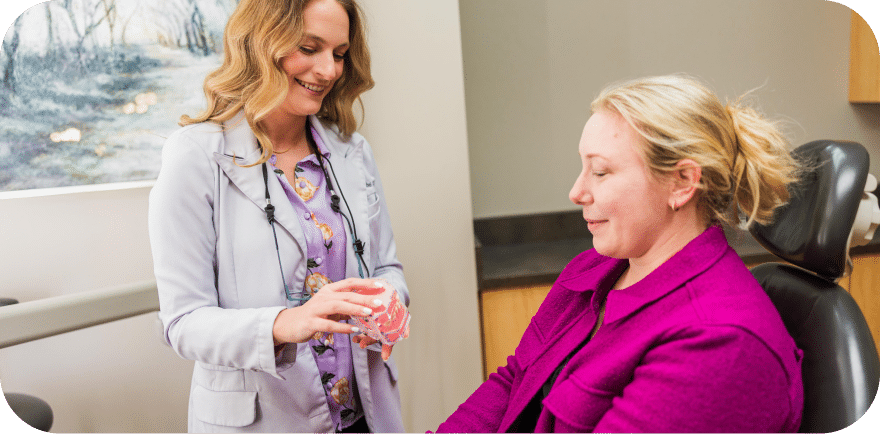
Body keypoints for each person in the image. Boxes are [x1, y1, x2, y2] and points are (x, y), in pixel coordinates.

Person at [436, 74, 804, 433]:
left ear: (682, 182)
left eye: (600, 171)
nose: (576, 192)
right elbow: (516, 380)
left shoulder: (718, 342)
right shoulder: (594, 269)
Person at [148, 0, 409, 432]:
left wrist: (388, 302)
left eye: (340, 54)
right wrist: (286, 323)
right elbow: (182, 324)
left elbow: (387, 269)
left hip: (364, 415)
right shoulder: (196, 156)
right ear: (260, 43)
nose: (327, 70)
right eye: (309, 48)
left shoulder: (352, 151)